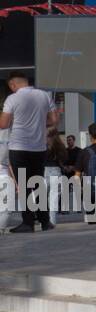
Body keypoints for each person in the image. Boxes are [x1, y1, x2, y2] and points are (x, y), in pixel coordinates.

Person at [1, 72, 58, 232]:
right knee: (38, 183)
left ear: (13, 84)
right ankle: (45, 221)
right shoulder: (45, 95)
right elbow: (54, 120)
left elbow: (3, 124)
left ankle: (28, 223)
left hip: (18, 148)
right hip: (39, 148)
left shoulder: (12, 99)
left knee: (24, 186)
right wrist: (40, 123)